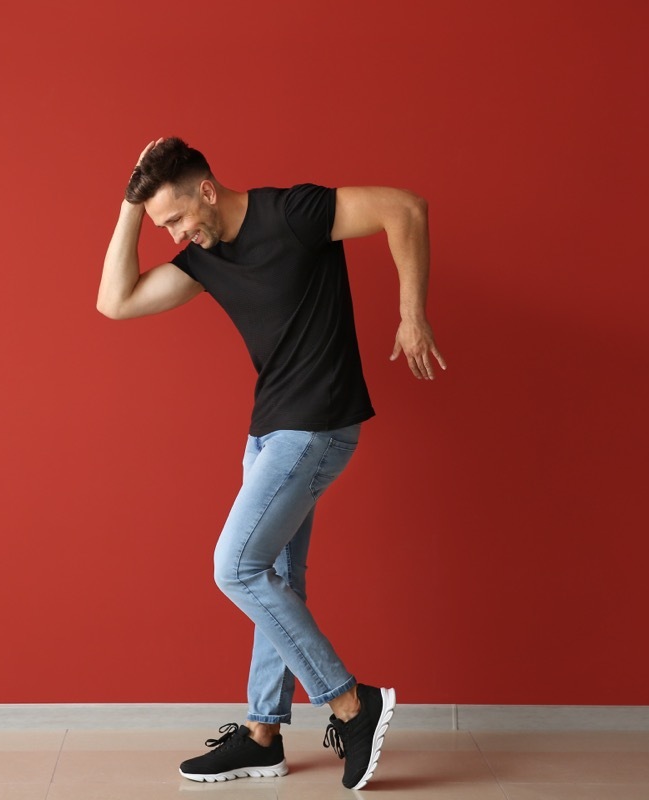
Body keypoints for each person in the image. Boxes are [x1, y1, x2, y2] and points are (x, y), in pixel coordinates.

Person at [96, 137, 445, 791]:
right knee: (275, 578)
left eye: (174, 217)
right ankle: (263, 736)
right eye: (161, 225)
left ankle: (349, 703)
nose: (173, 233)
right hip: (267, 437)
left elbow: (406, 208)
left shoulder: (294, 213)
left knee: (235, 567)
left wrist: (410, 313)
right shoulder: (208, 260)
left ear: (205, 190)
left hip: (314, 430)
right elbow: (115, 302)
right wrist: (131, 205)